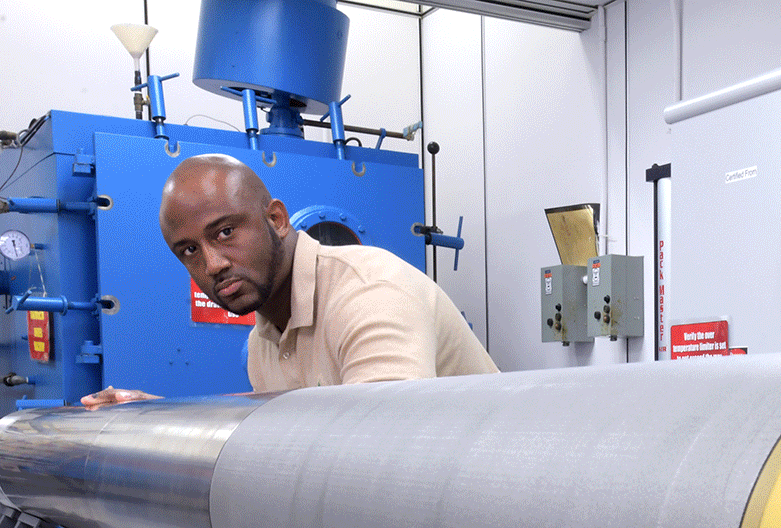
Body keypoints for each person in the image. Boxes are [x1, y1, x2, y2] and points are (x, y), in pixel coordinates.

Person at [82, 153, 494, 407]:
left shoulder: (370, 291)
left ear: (276, 220)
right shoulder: (264, 342)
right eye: (189, 251)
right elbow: (271, 433)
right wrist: (153, 416)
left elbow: (384, 448)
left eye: (225, 232)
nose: (213, 264)